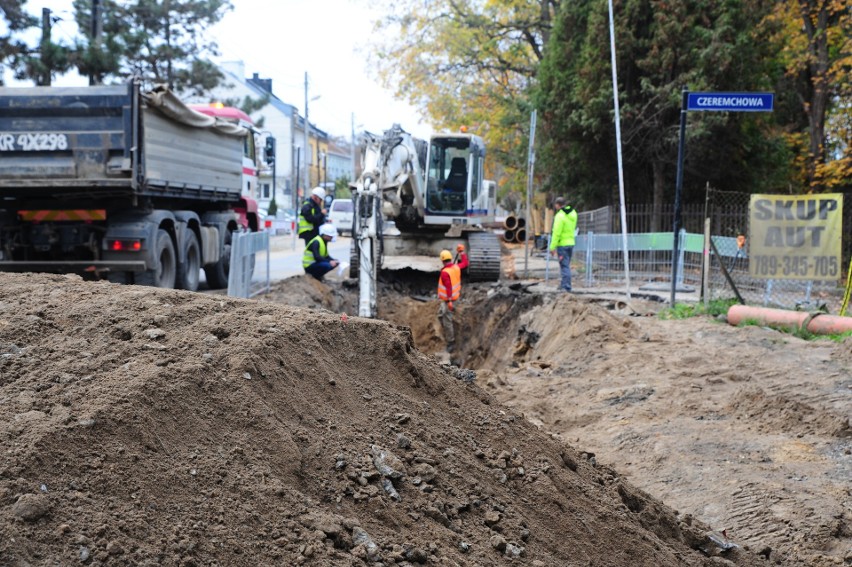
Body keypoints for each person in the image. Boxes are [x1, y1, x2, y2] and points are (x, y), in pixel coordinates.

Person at [549, 196, 578, 292]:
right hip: (571, 243)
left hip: (562, 244)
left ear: (557, 205)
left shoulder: (559, 216)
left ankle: (566, 287)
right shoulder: (573, 213)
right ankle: (563, 284)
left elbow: (556, 232)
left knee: (564, 266)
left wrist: (552, 246)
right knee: (566, 264)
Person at [437, 249, 461, 352]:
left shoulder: (445, 273)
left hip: (449, 300)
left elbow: (448, 287)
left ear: (442, 260)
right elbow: (464, 263)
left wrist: (449, 301)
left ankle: (451, 342)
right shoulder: (456, 267)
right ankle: (445, 330)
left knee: (447, 321)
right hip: (455, 297)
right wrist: (462, 253)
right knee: (441, 315)